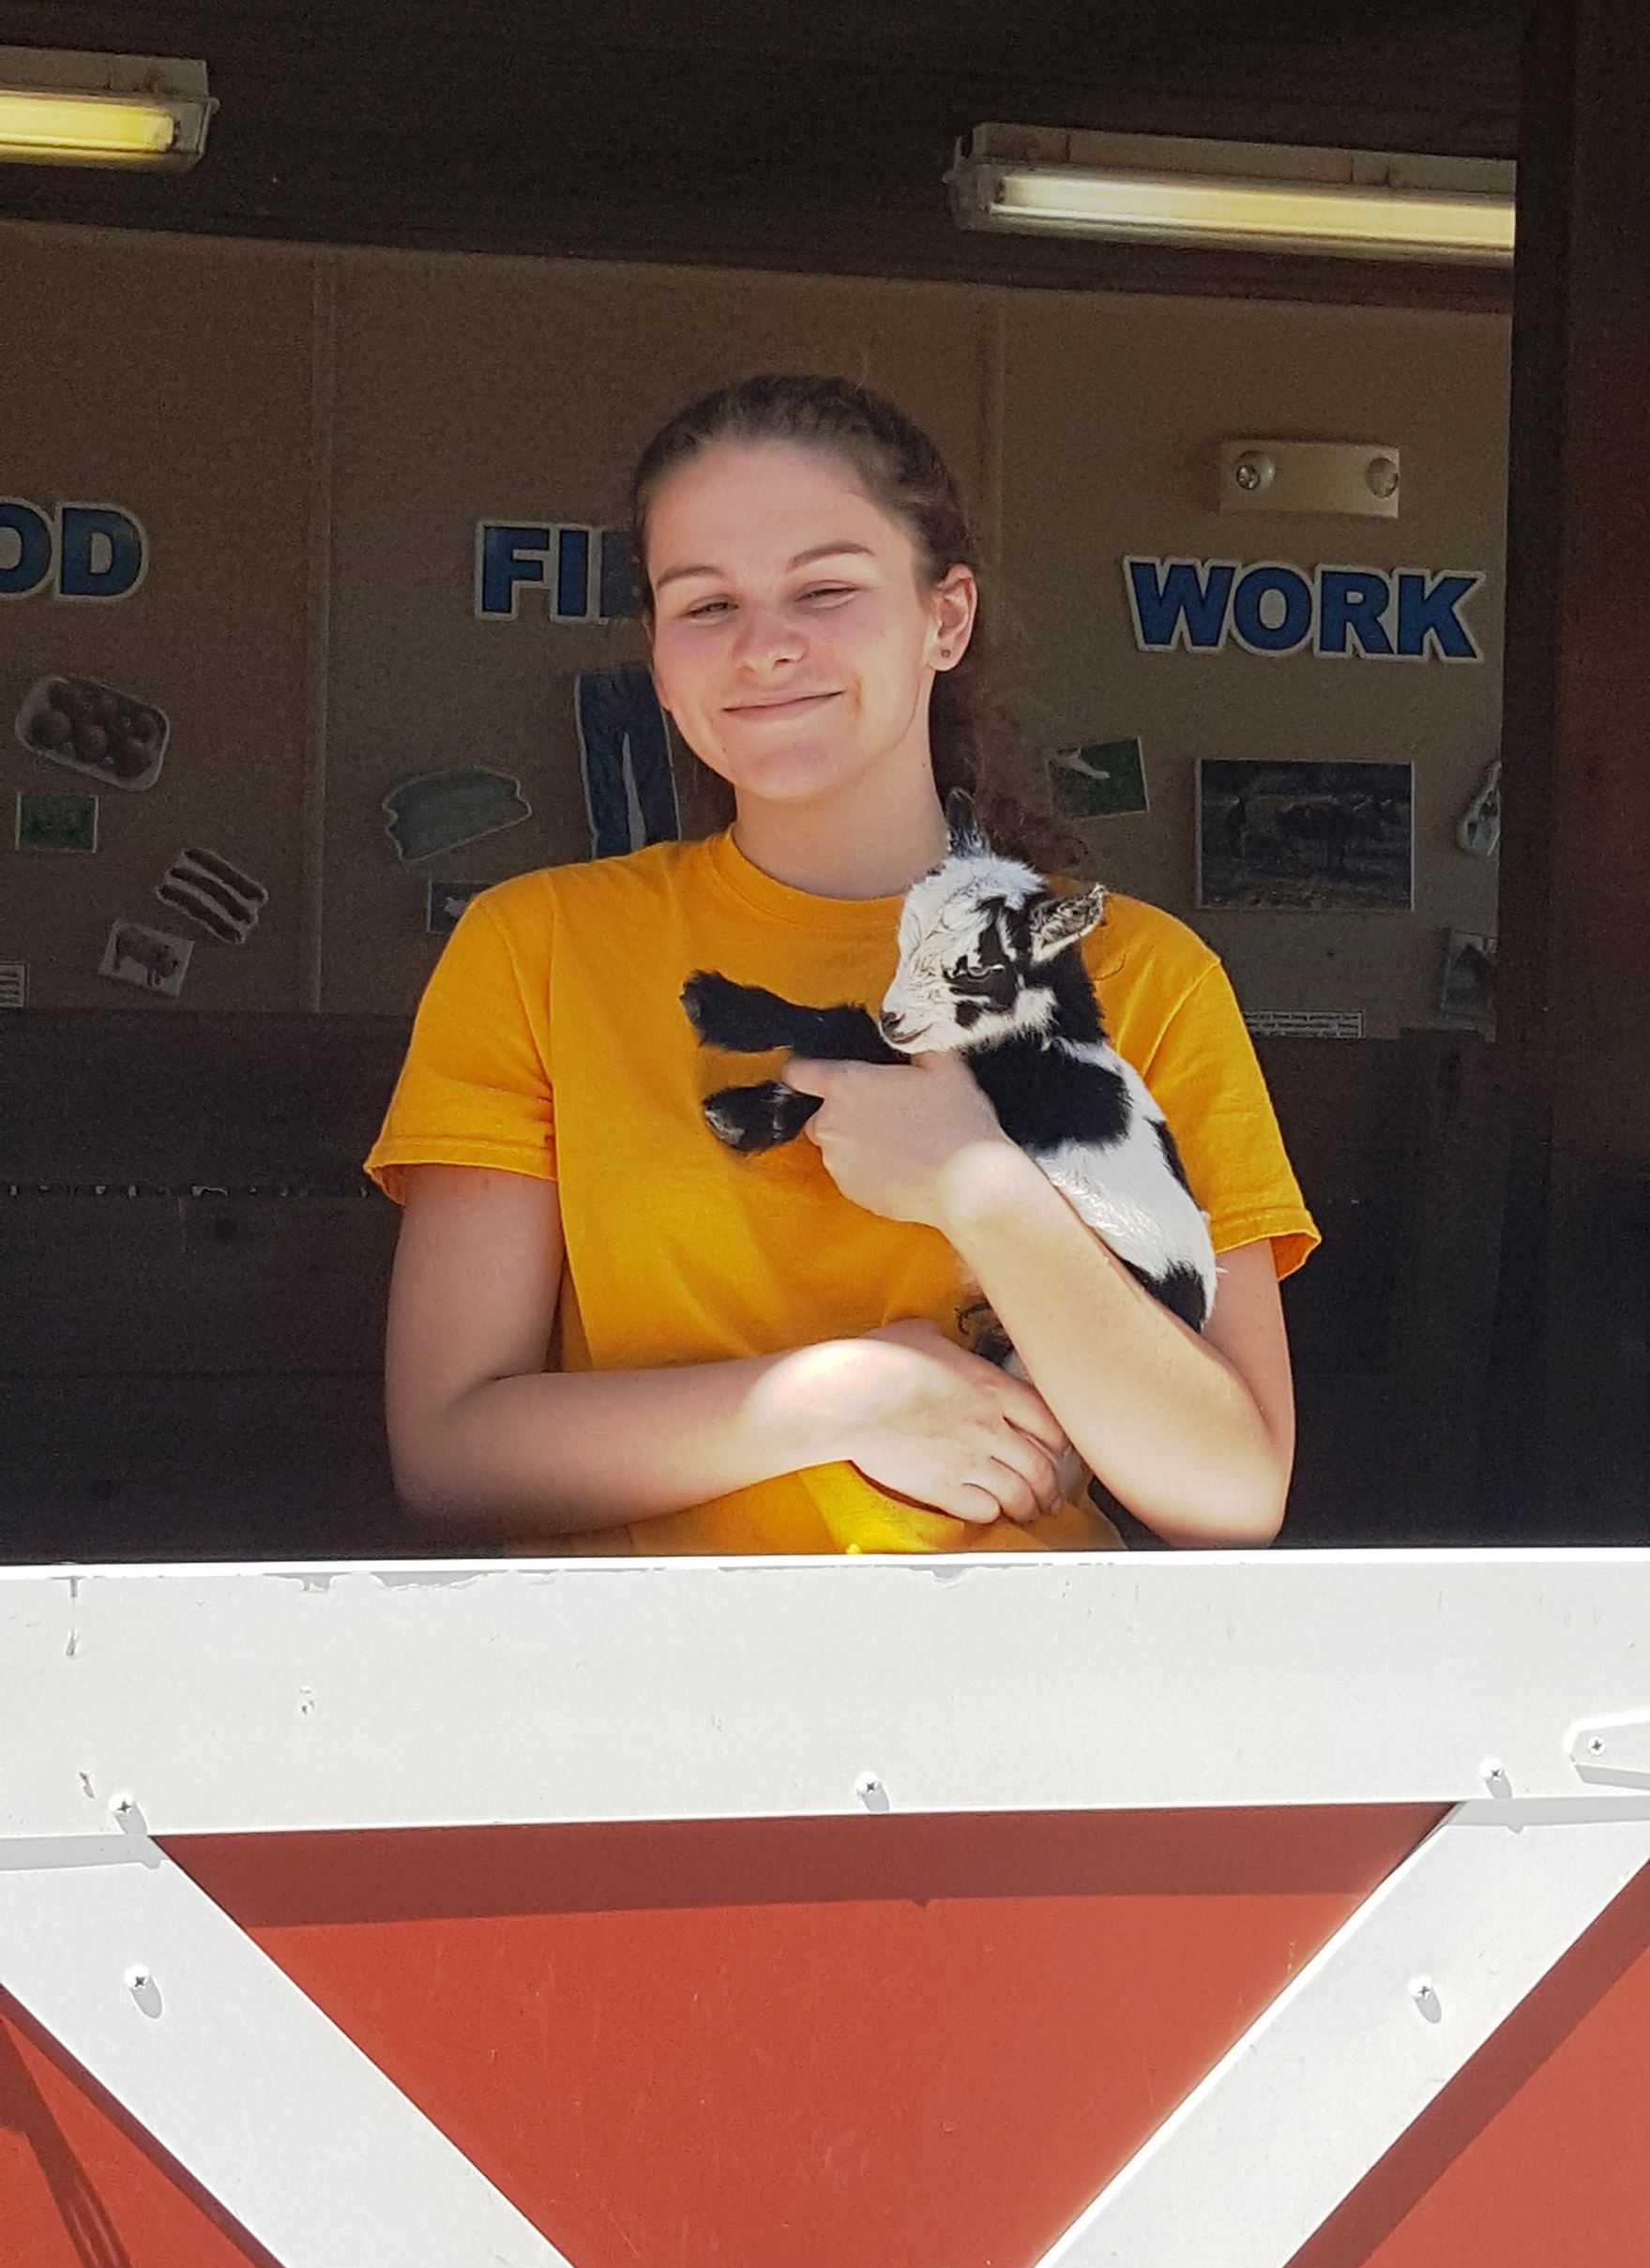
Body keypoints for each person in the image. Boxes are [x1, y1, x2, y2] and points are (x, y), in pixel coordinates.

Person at [366, 374, 1318, 1557]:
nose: (765, 647)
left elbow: (1230, 1489)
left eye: (826, 588)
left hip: (1022, 1694)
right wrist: (842, 1399)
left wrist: (982, 1187)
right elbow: (452, 1455)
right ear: (658, 658)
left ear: (945, 618)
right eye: (703, 604)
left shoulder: (1143, 972)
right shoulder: (534, 947)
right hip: (636, 1699)